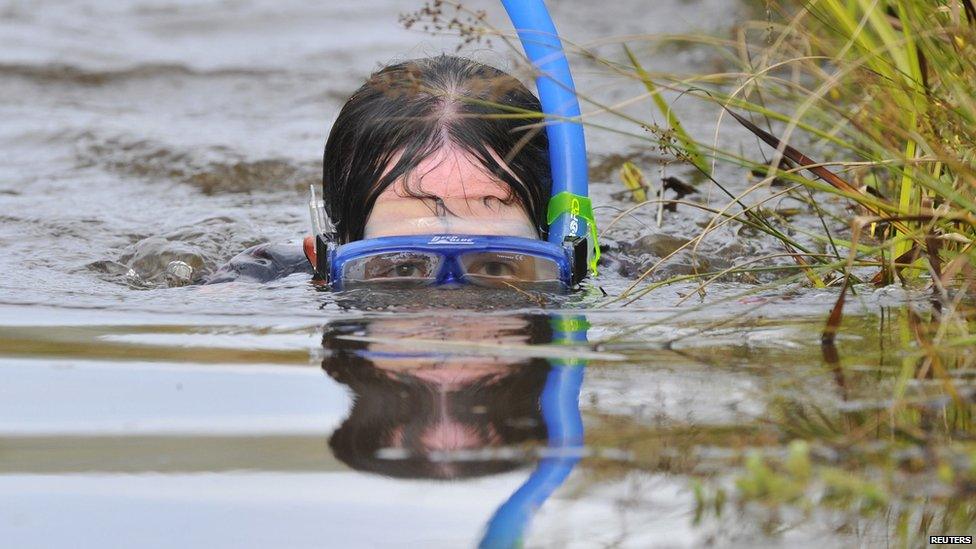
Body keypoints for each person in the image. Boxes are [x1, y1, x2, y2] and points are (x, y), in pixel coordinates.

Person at [206, 55, 556, 287]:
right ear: (321, 262)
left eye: (495, 266)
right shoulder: (256, 277)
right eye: (403, 267)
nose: (451, 320)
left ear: (566, 250)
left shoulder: (605, 272)